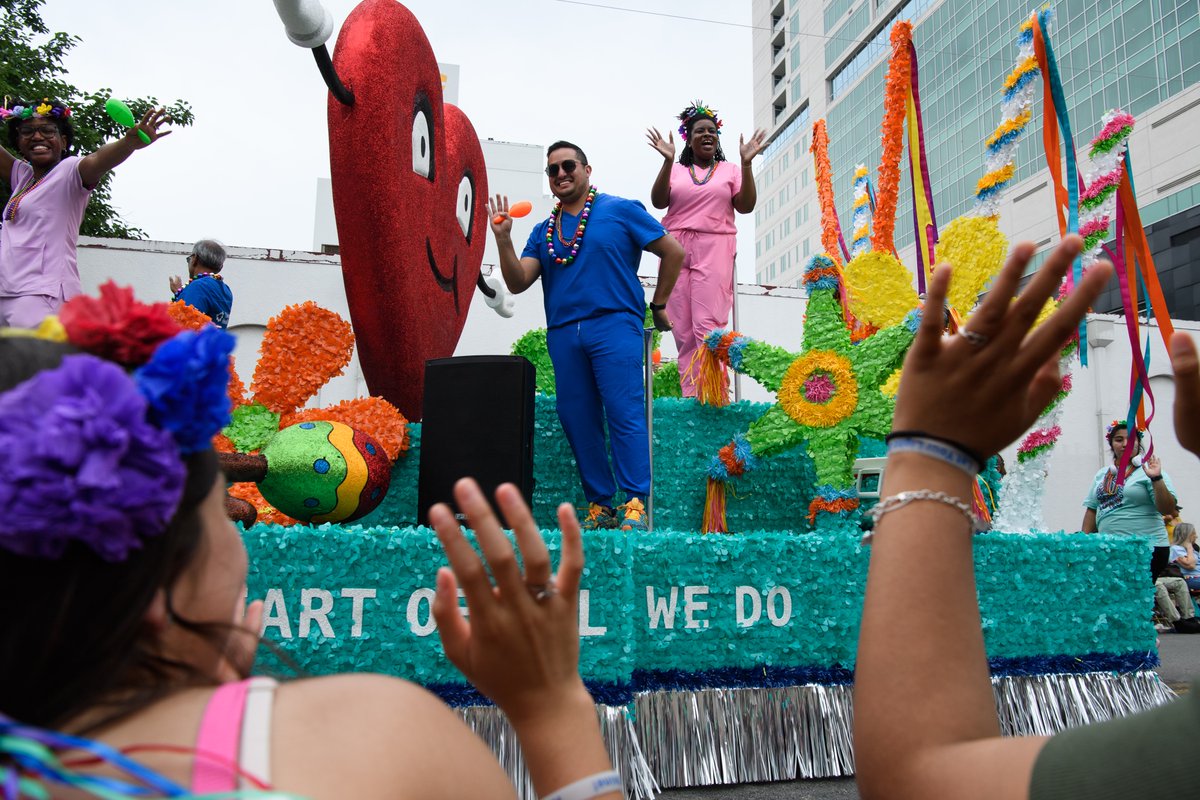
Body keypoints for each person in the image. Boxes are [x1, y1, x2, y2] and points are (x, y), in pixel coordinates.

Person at [0, 299, 621, 799]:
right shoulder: (375, 737)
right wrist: (552, 707)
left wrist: (179, 680)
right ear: (160, 577)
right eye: (217, 496)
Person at [853, 234, 1200, 799]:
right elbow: (1090, 516)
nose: (1117, 444)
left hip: (1144, 548)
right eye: (1113, 438)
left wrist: (930, 451)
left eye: (1122, 439)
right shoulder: (1101, 479)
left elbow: (916, 775)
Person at [488, 140, 684, 532]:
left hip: (614, 325)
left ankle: (634, 501)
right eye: (553, 170)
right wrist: (504, 238)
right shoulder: (544, 232)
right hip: (563, 333)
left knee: (623, 410)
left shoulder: (621, 210)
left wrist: (659, 304)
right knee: (576, 417)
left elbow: (674, 252)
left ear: (587, 169)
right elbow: (518, 280)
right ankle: (601, 505)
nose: (561, 174)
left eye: (568, 166)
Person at [0, 98, 171, 327]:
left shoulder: (70, 171)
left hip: (42, 296)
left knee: (38, 362)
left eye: (47, 130)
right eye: (27, 131)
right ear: (18, 141)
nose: (37, 136)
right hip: (7, 292)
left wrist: (128, 143)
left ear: (63, 140)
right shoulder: (22, 177)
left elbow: (98, 159)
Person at [645, 102, 766, 398]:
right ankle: (691, 395)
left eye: (712, 131)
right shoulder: (676, 170)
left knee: (707, 326)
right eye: (700, 131)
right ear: (689, 137)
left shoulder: (730, 170)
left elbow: (746, 206)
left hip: (715, 245)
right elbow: (659, 202)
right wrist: (666, 162)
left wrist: (747, 164)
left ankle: (713, 395)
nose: (708, 135)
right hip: (675, 247)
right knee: (683, 330)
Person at [1081, 420, 1179, 581]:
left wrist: (1156, 479)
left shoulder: (1149, 470)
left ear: (1139, 444)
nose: (1126, 444)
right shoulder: (1102, 474)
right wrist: (1083, 543)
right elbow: (1091, 509)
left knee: (1136, 597)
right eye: (1119, 440)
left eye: (1132, 439)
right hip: (1110, 549)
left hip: (1147, 549)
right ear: (1112, 444)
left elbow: (1168, 509)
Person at [170, 239, 233, 328]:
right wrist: (180, 293)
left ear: (195, 259)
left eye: (189, 259)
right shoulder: (225, 289)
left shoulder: (198, 286)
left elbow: (186, 325)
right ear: (220, 267)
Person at [1169, 521, 1200, 592]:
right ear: (1186, 535)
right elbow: (1191, 565)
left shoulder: (1191, 550)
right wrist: (1189, 547)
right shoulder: (1175, 549)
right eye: (1193, 533)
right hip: (1191, 579)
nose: (1196, 536)